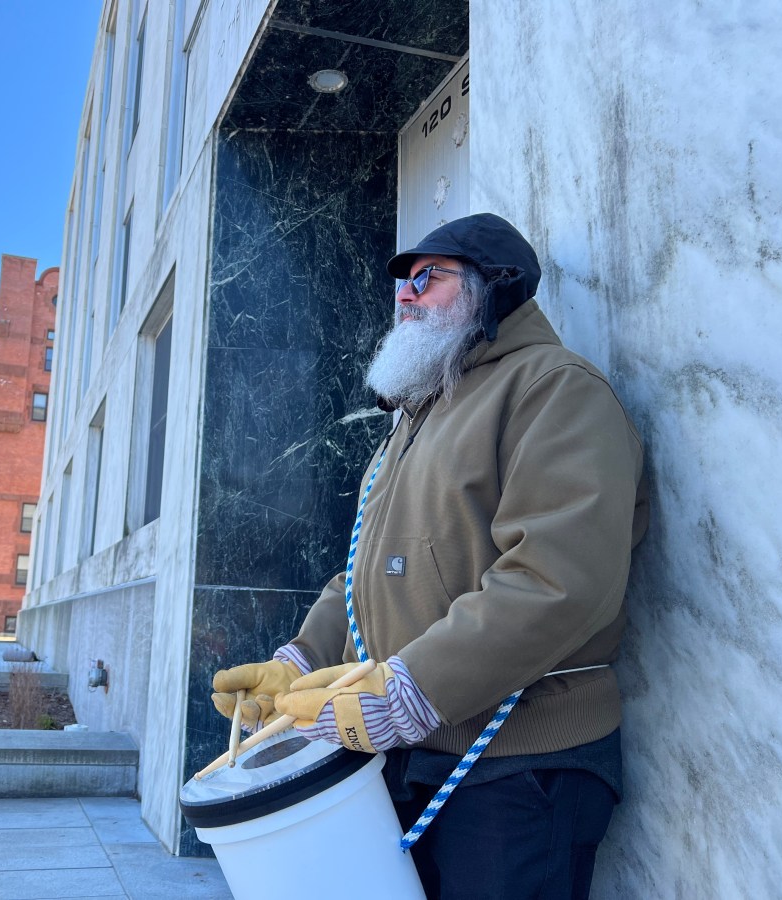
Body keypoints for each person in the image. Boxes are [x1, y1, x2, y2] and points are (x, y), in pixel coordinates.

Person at [211, 214, 649, 899]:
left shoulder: (554, 389)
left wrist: (418, 689)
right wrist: (296, 663)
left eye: (427, 277)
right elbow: (363, 571)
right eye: (402, 284)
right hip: (411, 754)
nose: (406, 295)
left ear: (492, 289)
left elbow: (559, 577)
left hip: (521, 766)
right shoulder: (416, 417)